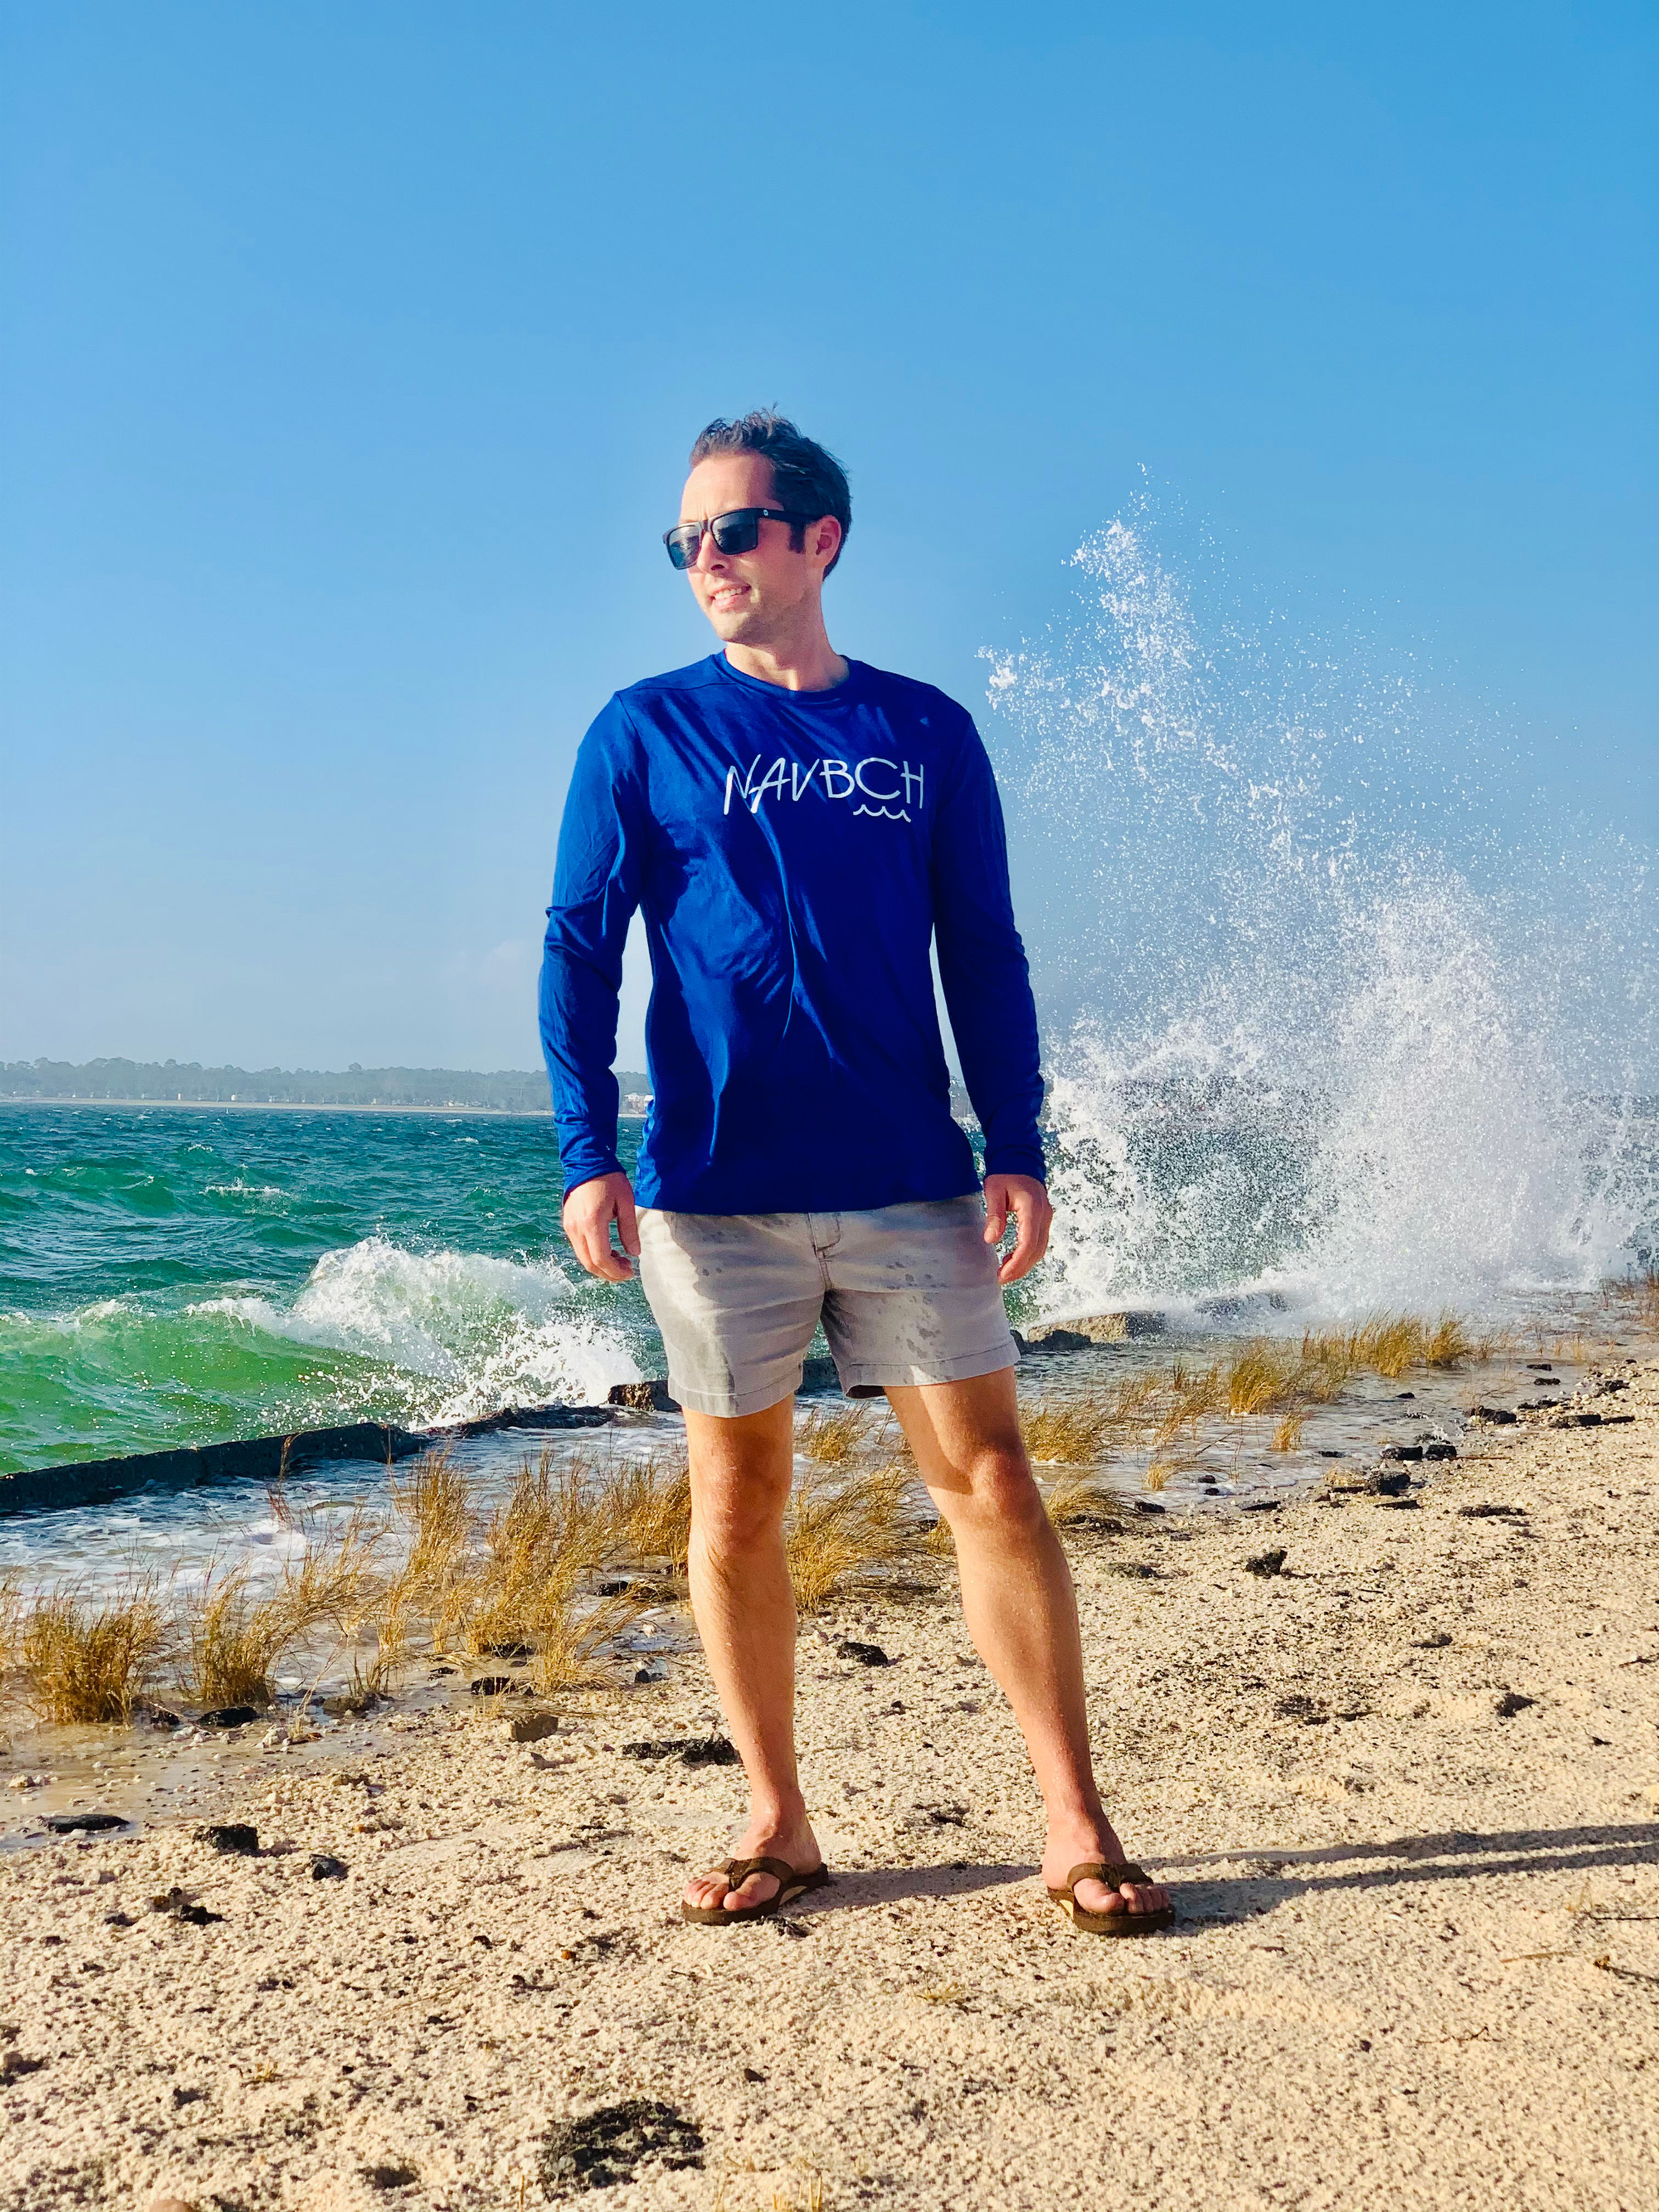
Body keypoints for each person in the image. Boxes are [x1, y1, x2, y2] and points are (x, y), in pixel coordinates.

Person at [539, 411, 1172, 1936]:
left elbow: (984, 950)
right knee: (738, 1502)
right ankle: (779, 1817)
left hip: (907, 1177)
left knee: (993, 1483)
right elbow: (579, 947)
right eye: (685, 539)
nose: (706, 559)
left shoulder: (923, 732)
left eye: (733, 530)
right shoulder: (642, 731)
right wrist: (585, 1152)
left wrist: (1015, 1142)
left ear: (820, 541)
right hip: (713, 1188)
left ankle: (1074, 1818)